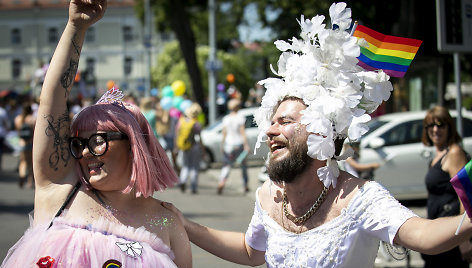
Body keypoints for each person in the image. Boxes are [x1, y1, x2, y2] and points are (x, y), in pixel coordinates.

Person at [163, 3, 472, 267]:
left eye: (284, 121)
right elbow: (251, 251)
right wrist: (185, 224)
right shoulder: (268, 195)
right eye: (271, 121)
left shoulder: (359, 198)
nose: (270, 130)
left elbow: (424, 236)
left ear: (321, 129)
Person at [1, 0, 191, 267]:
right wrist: (76, 26)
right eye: (78, 143)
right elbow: (52, 101)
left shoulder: (166, 221)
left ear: (133, 145)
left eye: (98, 140)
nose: (86, 151)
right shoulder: (59, 188)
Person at [421, 106, 471, 267]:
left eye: (440, 125)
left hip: (451, 236)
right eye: (431, 125)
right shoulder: (438, 155)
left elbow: (465, 198)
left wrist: (464, 240)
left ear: (449, 127)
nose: (435, 130)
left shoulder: (454, 153)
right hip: (438, 233)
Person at [217, 98, 250, 194]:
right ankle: (245, 185)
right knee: (243, 165)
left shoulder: (226, 118)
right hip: (239, 144)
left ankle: (222, 182)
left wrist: (222, 144)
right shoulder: (240, 118)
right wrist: (246, 145)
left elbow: (224, 133)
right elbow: (242, 132)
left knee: (227, 165)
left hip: (229, 144)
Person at [174, 102, 203, 194]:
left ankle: (182, 181)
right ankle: (193, 187)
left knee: (185, 165)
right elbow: (199, 137)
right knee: (194, 166)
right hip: (194, 146)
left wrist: (177, 146)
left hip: (184, 146)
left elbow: (177, 134)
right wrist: (203, 148)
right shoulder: (196, 124)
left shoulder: (181, 121)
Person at [14, 100, 36, 188]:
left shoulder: (18, 119)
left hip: (21, 143)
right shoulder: (33, 119)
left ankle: (22, 175)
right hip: (30, 143)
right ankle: (30, 182)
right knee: (30, 163)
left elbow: (18, 131)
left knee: (22, 162)